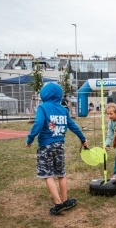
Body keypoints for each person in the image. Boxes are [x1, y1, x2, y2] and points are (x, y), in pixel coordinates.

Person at [25, 83, 88, 216]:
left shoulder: (42, 107)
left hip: (45, 146)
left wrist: (30, 139)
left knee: (47, 175)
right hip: (59, 145)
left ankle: (58, 203)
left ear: (44, 94)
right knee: (61, 173)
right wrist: (83, 139)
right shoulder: (64, 110)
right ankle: (65, 201)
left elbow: (38, 124)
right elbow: (73, 126)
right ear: (59, 95)